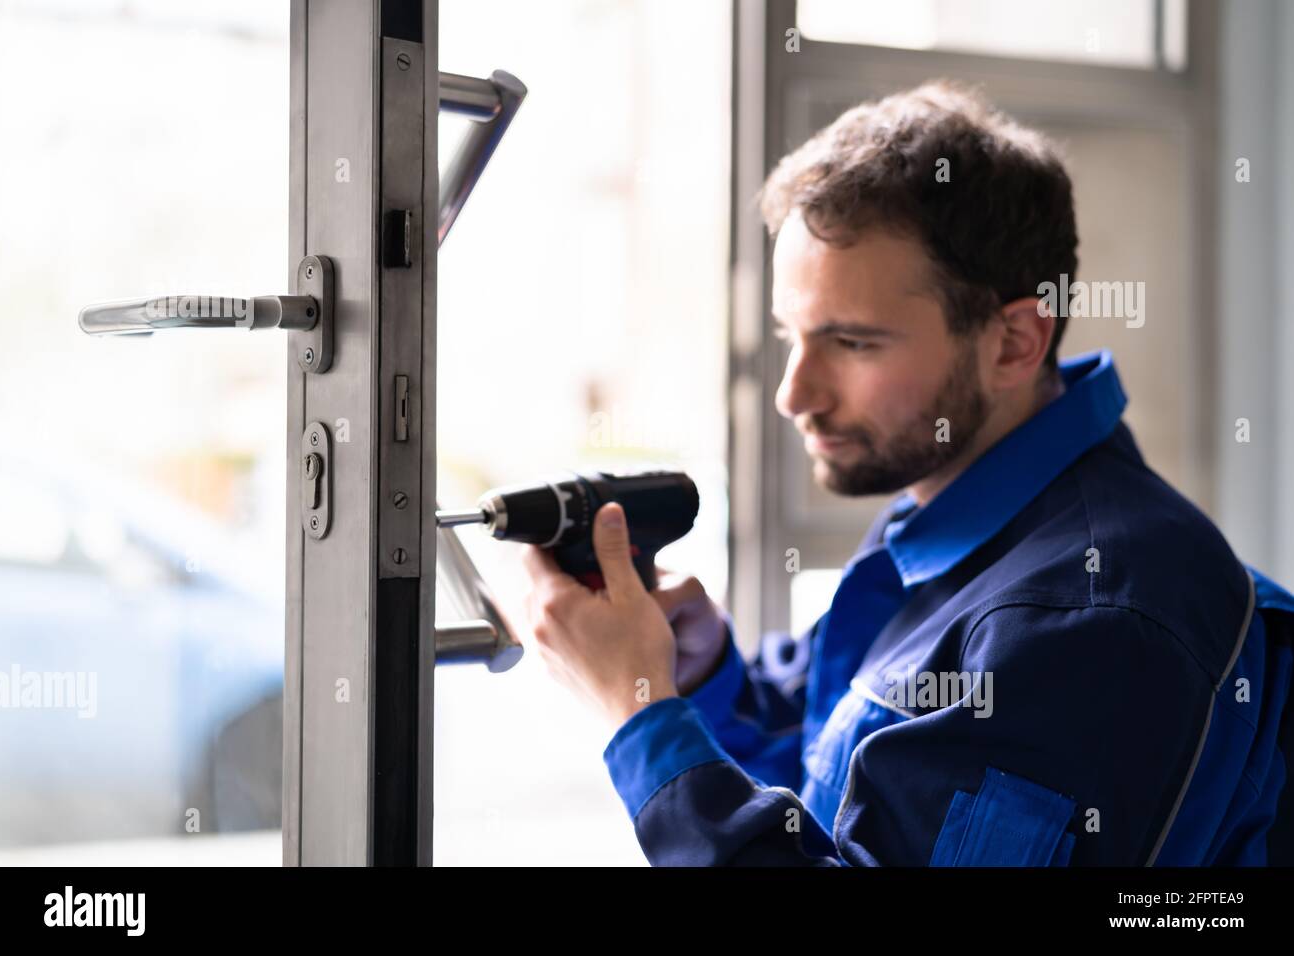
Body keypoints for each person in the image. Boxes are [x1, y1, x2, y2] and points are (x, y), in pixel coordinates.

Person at [516, 81, 1294, 866]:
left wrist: (638, 712)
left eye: (853, 343)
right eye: (793, 335)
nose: (794, 394)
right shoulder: (961, 513)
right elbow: (842, 775)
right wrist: (703, 673)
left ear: (1014, 343)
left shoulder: (1088, 617)